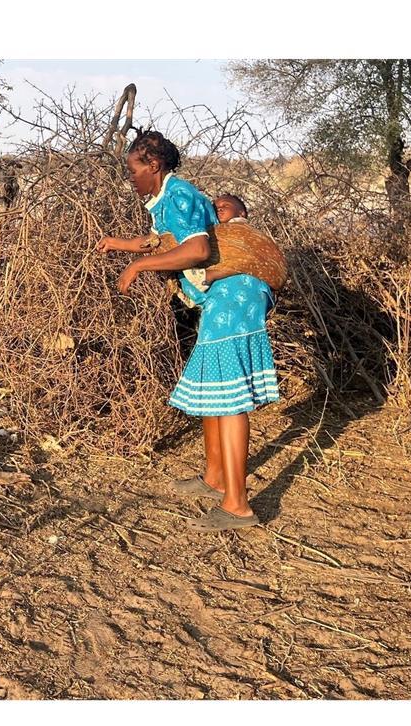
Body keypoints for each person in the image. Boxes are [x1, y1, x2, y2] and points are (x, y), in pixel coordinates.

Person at [96, 131, 279, 531]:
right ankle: (215, 479)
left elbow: (195, 250)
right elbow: (161, 241)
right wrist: (121, 246)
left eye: (134, 170)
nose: (131, 178)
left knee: (230, 398)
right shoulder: (166, 199)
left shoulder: (180, 194)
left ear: (154, 166)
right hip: (221, 297)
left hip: (235, 294)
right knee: (215, 388)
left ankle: (238, 506)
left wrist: (138, 267)